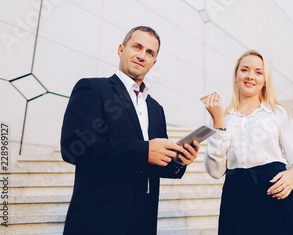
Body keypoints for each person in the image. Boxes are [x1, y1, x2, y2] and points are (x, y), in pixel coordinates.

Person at [60, 26, 200, 235]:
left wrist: (177, 161)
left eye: (150, 53)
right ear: (121, 49)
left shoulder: (156, 108)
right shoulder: (92, 88)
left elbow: (155, 162)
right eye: (137, 47)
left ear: (154, 63)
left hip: (143, 222)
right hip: (98, 221)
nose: (142, 56)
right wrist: (144, 151)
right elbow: (74, 147)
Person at [204, 50, 293, 235]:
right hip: (236, 199)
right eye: (245, 70)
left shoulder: (278, 113)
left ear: (265, 79)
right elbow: (215, 171)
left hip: (275, 193)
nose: (250, 76)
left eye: (258, 72)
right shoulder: (224, 118)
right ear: (236, 74)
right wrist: (219, 123)